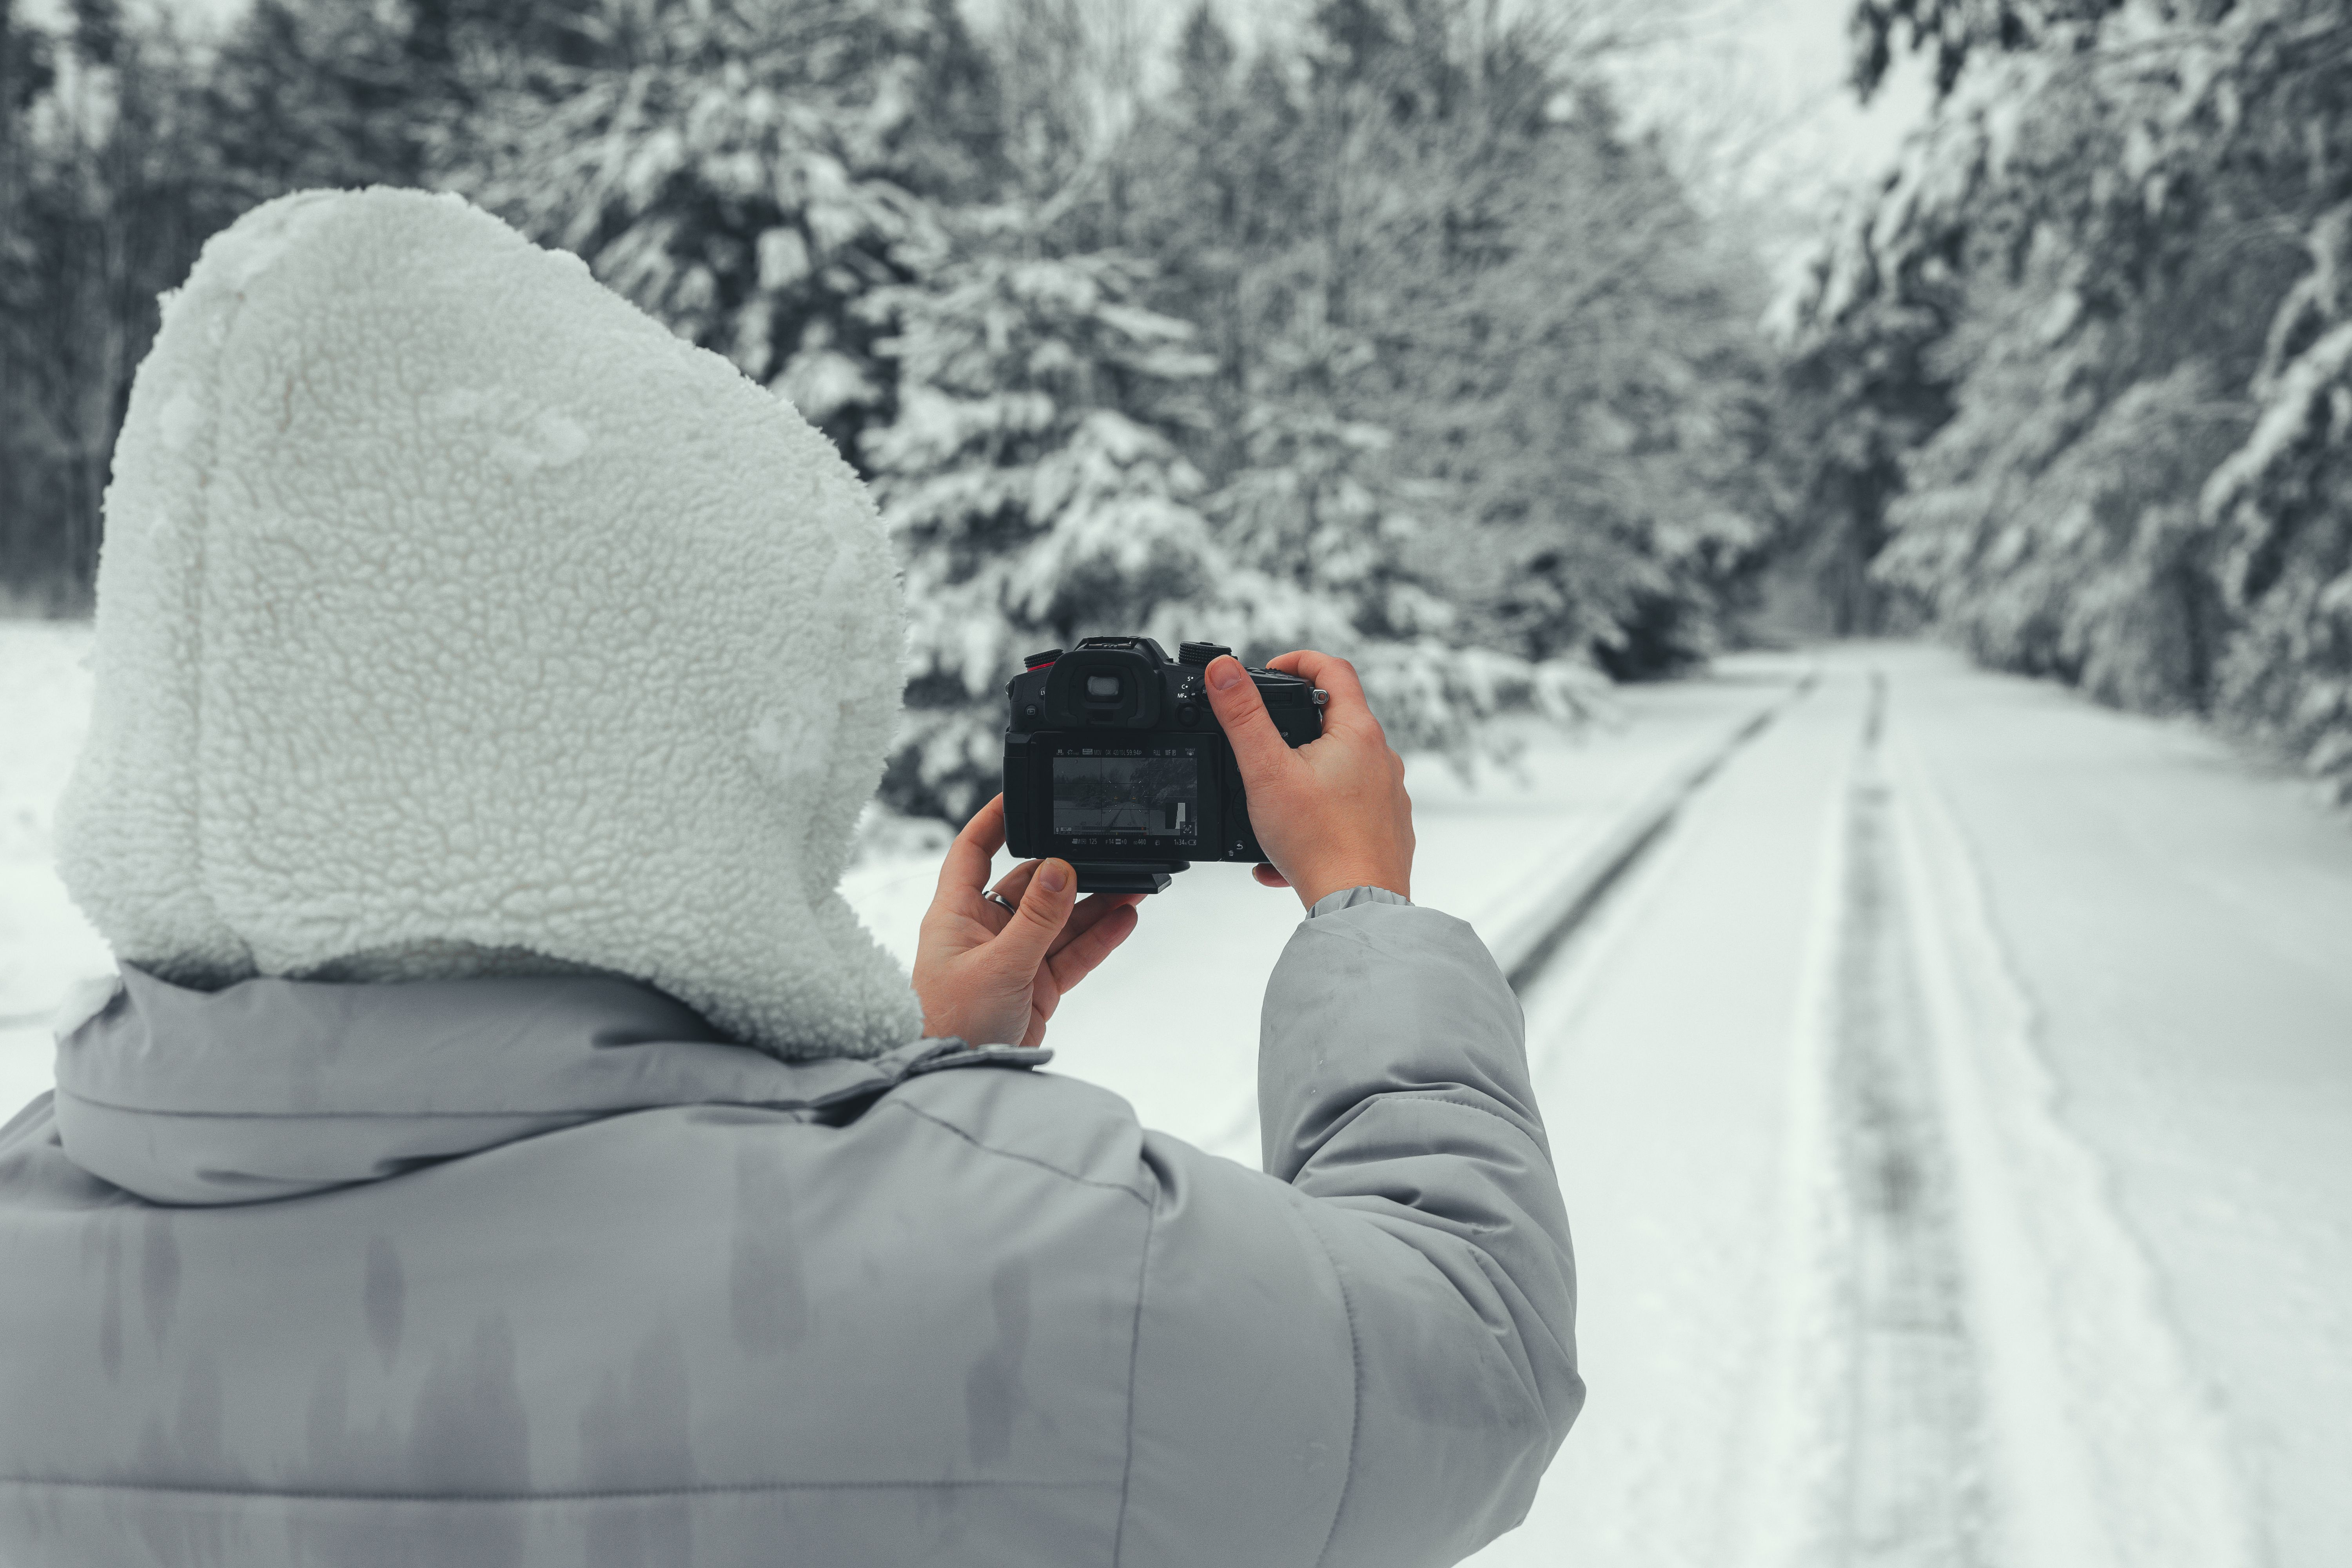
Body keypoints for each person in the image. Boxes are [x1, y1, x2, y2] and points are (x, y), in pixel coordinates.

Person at [0, 189, 1581, 1567]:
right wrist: (1363, 902)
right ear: (709, 710)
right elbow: (1469, 1359)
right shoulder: (1041, 1267)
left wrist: (904, 1073)